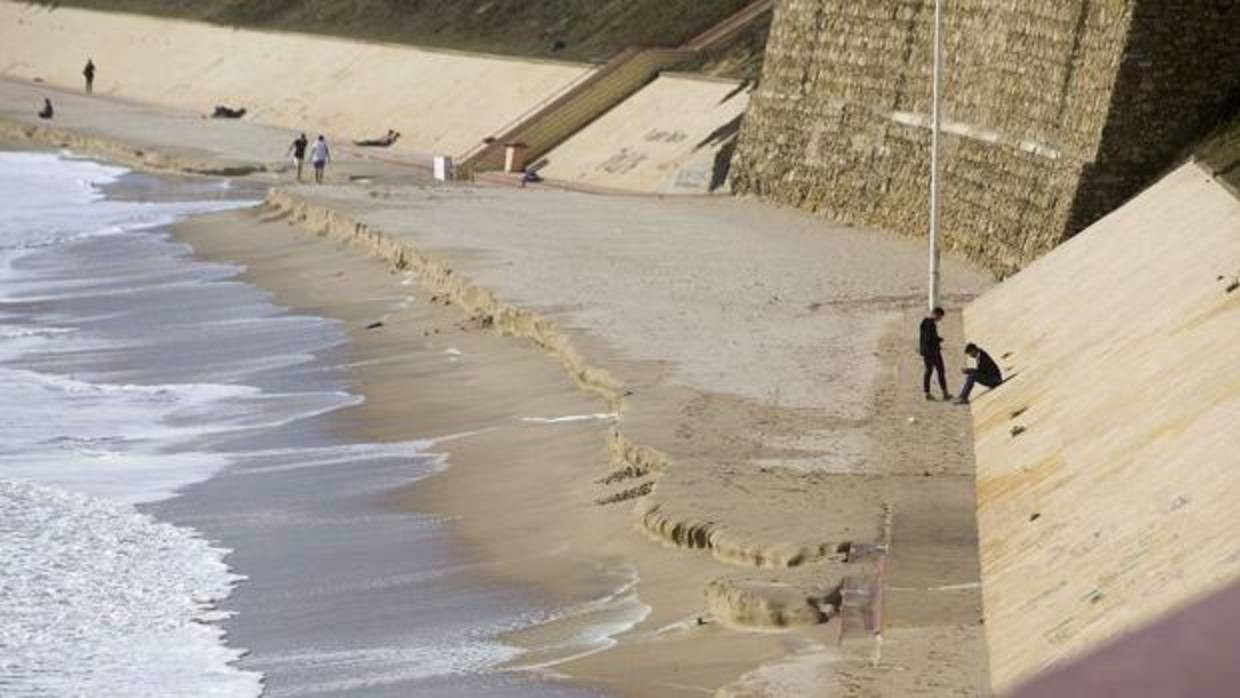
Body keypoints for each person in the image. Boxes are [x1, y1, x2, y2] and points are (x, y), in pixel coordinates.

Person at [919, 307, 951, 401]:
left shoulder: (925, 321)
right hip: (933, 352)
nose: (940, 319)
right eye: (940, 317)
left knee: (928, 372)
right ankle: (945, 394)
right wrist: (938, 340)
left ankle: (927, 393)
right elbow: (929, 339)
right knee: (940, 371)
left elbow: (924, 338)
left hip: (926, 351)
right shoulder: (931, 324)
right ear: (936, 314)